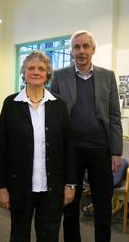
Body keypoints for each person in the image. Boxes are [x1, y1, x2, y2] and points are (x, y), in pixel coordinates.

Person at [0, 51, 77, 242]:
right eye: (31, 68)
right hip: (20, 186)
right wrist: (0, 187)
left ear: (48, 73)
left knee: (49, 236)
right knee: (19, 235)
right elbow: (0, 149)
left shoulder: (59, 104)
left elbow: (69, 147)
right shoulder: (11, 103)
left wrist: (70, 184)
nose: (36, 72)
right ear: (24, 73)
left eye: (41, 68)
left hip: (52, 187)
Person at [51, 30, 123, 242]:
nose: (81, 51)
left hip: (101, 150)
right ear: (71, 51)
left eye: (85, 46)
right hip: (70, 151)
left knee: (103, 208)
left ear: (93, 49)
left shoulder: (107, 76)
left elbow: (114, 116)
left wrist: (116, 151)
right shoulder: (59, 76)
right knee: (70, 209)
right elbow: (53, 116)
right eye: (76, 47)